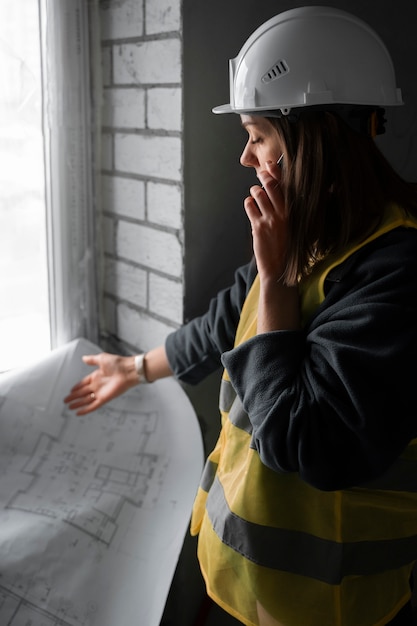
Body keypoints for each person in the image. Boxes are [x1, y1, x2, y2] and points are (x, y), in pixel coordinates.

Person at [65, 6, 417, 626]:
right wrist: (136, 366)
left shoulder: (396, 276)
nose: (245, 157)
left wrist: (278, 280)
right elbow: (227, 318)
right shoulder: (307, 236)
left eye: (256, 136)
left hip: (329, 607)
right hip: (241, 583)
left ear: (314, 143)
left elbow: (301, 438)